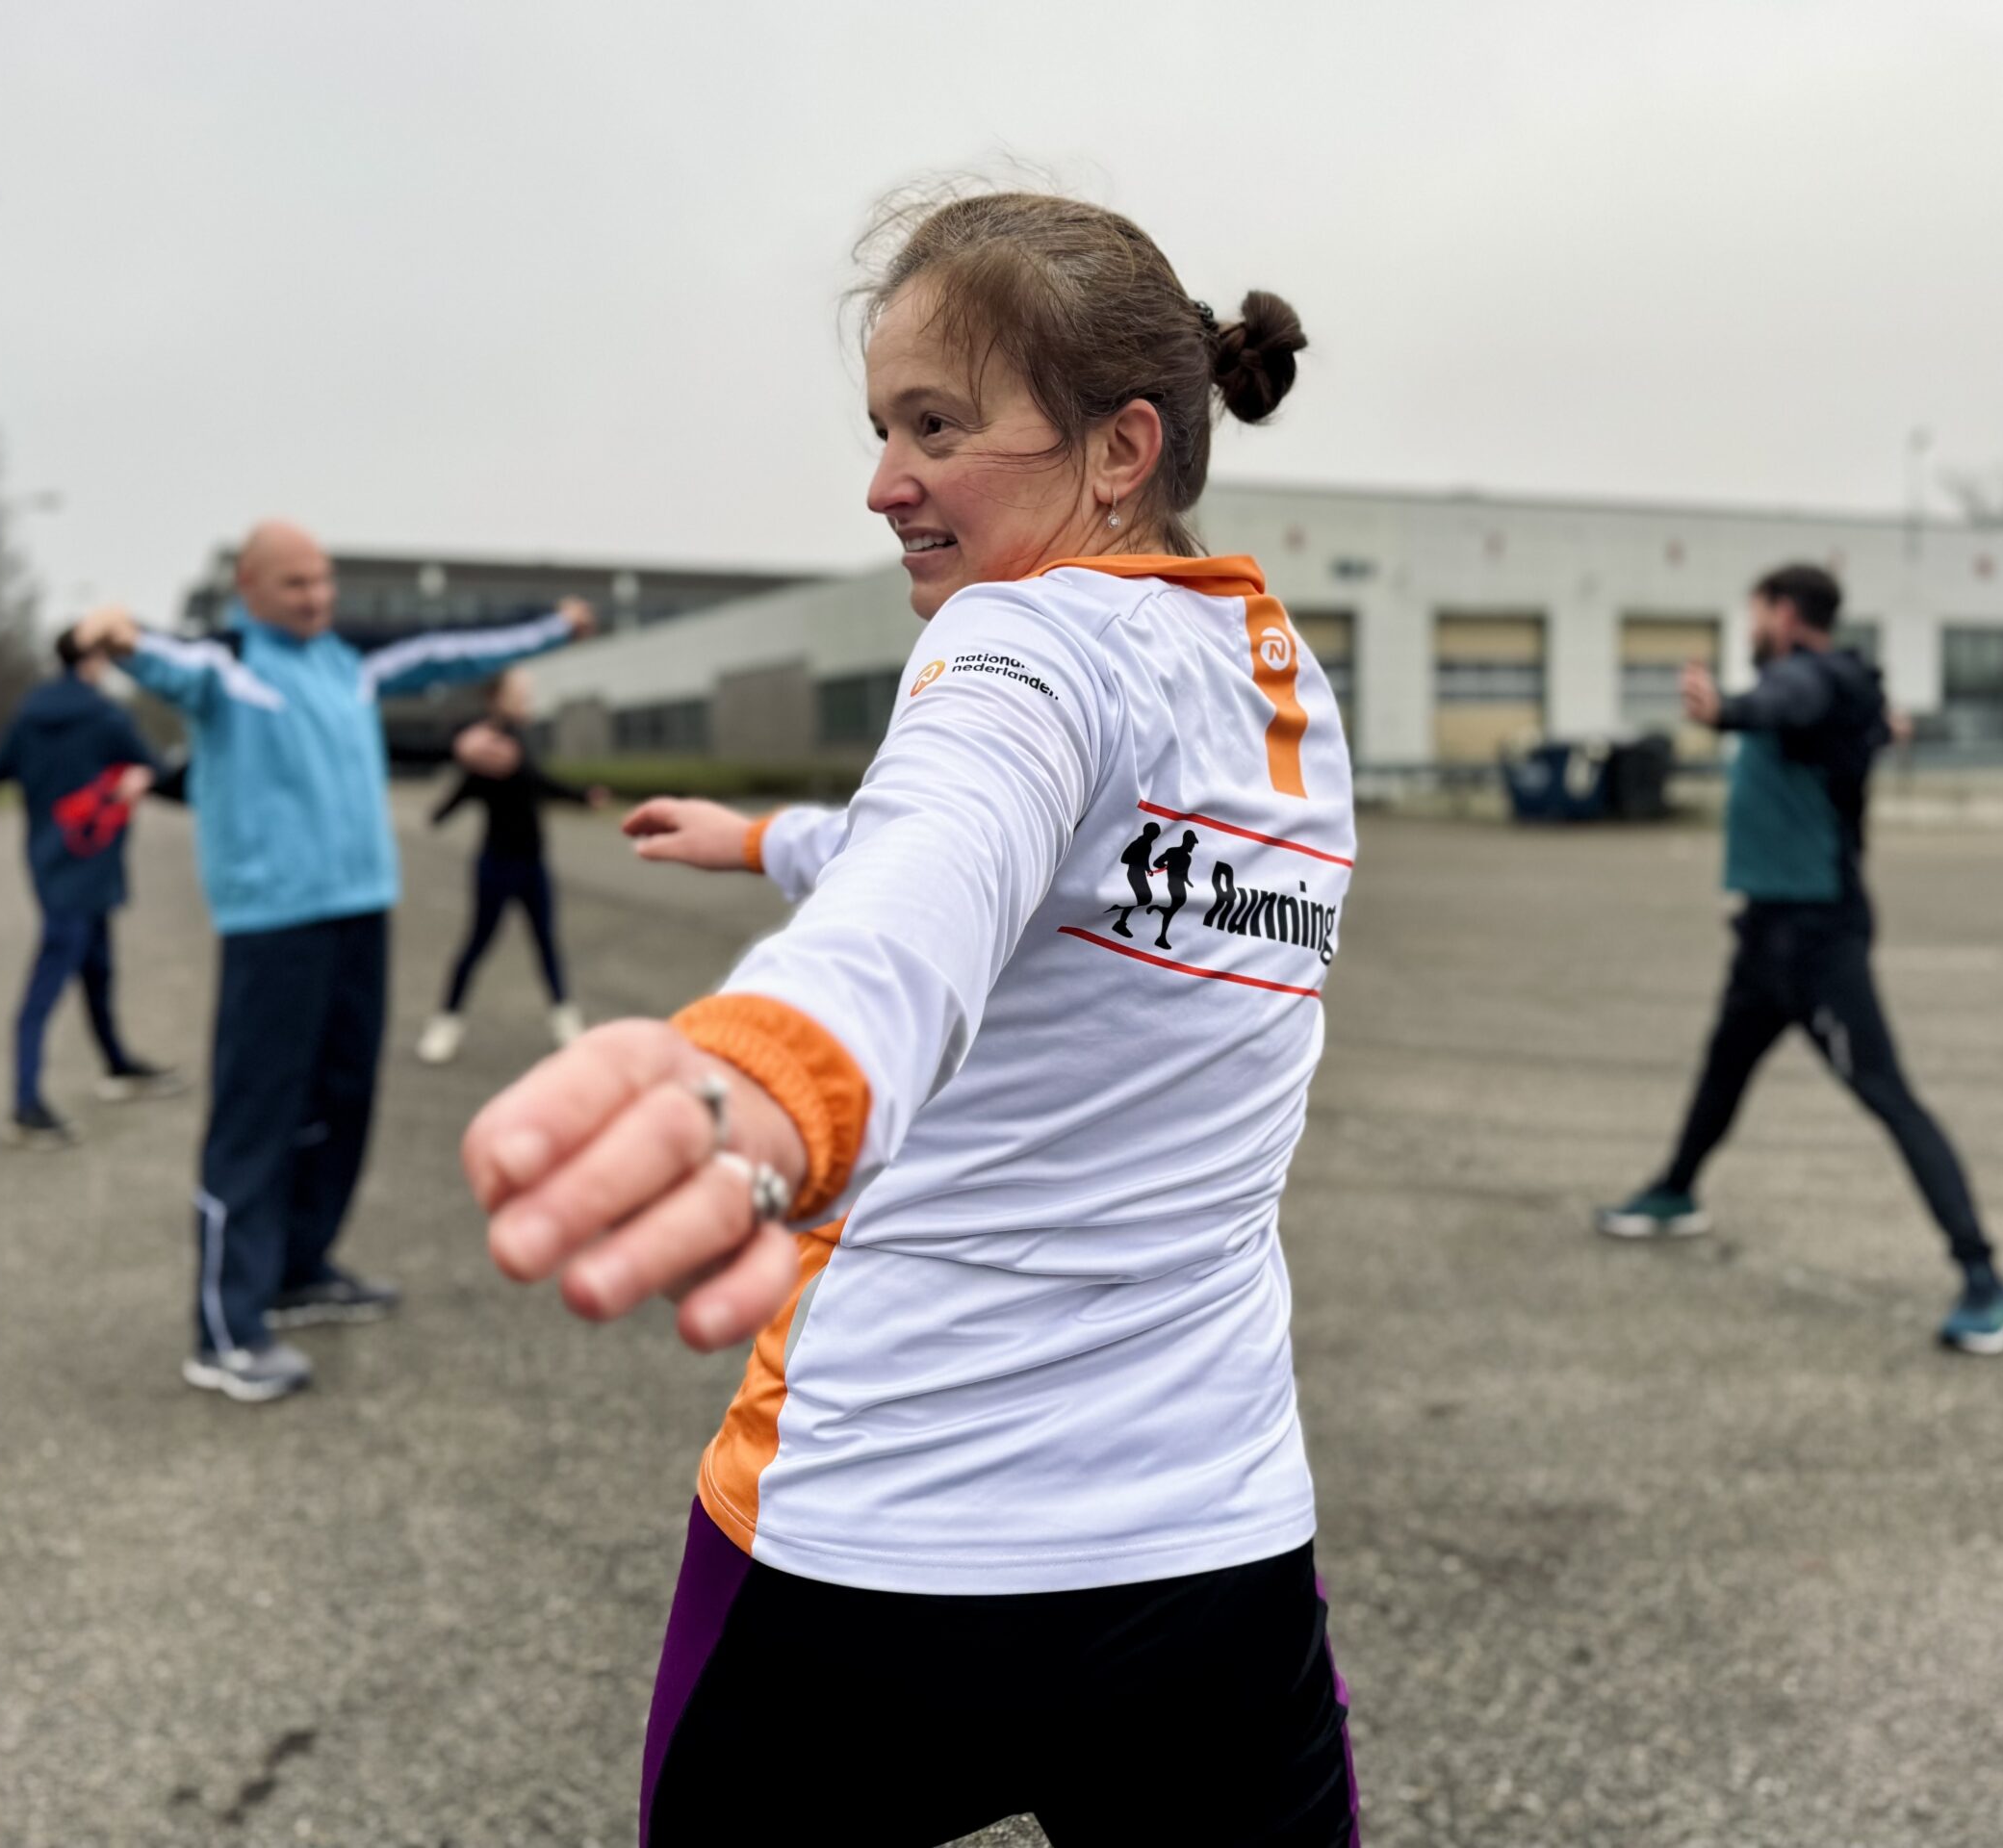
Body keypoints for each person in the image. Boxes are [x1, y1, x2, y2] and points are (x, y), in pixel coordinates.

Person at [470, 192, 1360, 1845]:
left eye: (936, 427)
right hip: (1212, 1569)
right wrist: (765, 841)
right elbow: (980, 859)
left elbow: (942, 878)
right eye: (882, 428)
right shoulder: (1271, 674)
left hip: (877, 1556)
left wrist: (771, 1078)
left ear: (1119, 449)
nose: (885, 482)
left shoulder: (1019, 636)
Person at [72, 525, 592, 1403]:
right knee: (256, 1119)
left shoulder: (353, 662)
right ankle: (225, 1331)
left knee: (344, 1099)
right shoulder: (227, 665)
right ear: (249, 586)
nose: (315, 598)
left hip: (361, 913)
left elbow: (456, 647)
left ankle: (299, 1270)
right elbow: (161, 658)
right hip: (273, 926)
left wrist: (555, 623)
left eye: (323, 582)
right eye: (293, 584)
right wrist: (117, 633)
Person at [1596, 563, 2003, 1355]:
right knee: (1722, 1070)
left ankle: (1986, 1280)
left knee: (1890, 1098)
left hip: (1818, 941)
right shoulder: (1834, 689)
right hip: (1765, 936)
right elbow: (1821, 715)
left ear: (1786, 614)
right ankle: (1676, 1191)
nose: (1751, 626)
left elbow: (1792, 701)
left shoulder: (1813, 679)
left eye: (1756, 611)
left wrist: (1727, 709)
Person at [0, 624, 186, 1147]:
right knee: (46, 988)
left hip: (51, 868)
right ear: (94, 660)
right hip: (92, 866)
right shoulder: (107, 717)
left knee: (97, 970)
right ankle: (25, 1105)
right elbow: (161, 773)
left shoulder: (28, 718)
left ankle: (119, 1066)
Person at [417, 669, 607, 1065]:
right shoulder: (485, 743)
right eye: (520, 693)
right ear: (496, 698)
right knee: (477, 944)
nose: (528, 700)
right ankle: (445, 1023)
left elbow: (539, 784)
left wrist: (584, 797)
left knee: (546, 943)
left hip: (533, 864)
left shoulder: (522, 738)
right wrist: (440, 813)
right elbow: (467, 787)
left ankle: (564, 1021)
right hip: (495, 866)